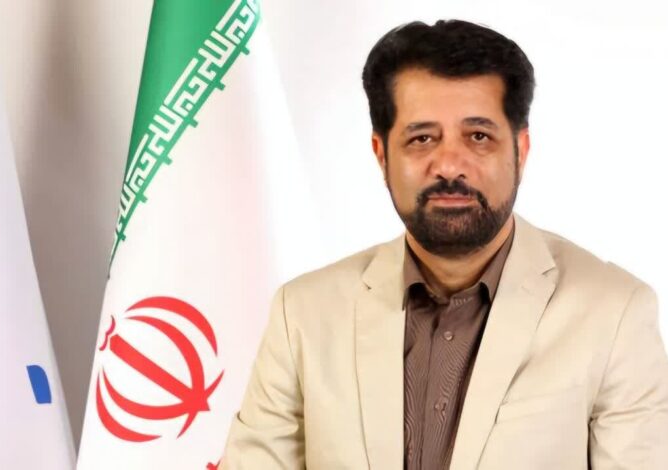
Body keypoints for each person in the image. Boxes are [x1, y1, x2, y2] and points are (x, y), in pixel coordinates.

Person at [219, 20, 668, 469]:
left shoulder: (613, 312)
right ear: (381, 154)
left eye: (479, 137)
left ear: (521, 150)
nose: (450, 165)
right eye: (422, 138)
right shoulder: (302, 313)